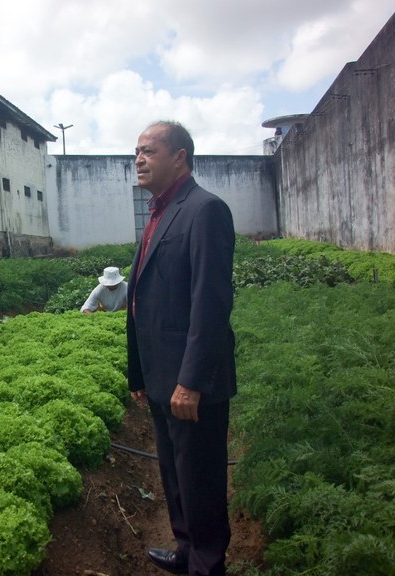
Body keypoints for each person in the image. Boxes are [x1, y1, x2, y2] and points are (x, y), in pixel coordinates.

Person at [127, 121, 236, 576]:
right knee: (173, 475)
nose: (138, 159)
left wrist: (189, 382)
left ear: (181, 157)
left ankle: (207, 564)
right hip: (159, 376)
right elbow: (143, 297)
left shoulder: (205, 210)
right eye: (135, 151)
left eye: (149, 151)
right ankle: (187, 549)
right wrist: (141, 375)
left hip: (191, 381)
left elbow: (209, 303)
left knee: (200, 479)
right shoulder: (156, 211)